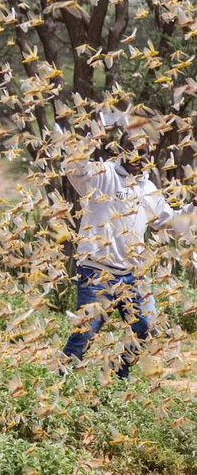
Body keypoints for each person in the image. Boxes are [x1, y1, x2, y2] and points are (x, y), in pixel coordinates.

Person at [61, 130, 197, 378]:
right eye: (131, 149)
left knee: (147, 328)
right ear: (120, 150)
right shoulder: (103, 175)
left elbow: (171, 223)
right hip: (97, 273)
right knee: (86, 333)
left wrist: (194, 206)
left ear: (150, 156)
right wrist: (86, 143)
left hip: (133, 275)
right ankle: (61, 385)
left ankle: (117, 372)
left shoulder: (148, 189)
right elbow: (75, 170)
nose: (137, 156)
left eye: (143, 152)